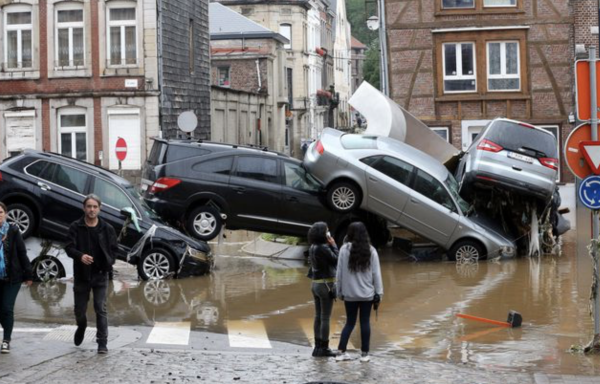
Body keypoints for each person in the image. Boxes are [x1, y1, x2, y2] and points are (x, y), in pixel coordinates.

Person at [65, 194, 118, 354]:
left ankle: (102, 343)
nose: (92, 209)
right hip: (82, 275)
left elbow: (114, 249)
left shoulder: (107, 228)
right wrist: (80, 256)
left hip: (100, 275)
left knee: (100, 308)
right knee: (79, 310)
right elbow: (68, 247)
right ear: (84, 208)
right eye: (89, 206)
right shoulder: (76, 226)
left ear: (99, 209)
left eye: (95, 207)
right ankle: (81, 326)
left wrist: (109, 261)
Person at [335, 222, 383, 363]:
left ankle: (340, 352)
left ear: (349, 234)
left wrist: (339, 292)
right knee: (365, 323)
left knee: (349, 323)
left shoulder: (344, 250)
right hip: (367, 295)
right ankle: (365, 354)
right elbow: (377, 274)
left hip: (349, 294)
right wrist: (379, 293)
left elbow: (339, 273)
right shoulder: (371, 250)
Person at [0, 202, 33, 354]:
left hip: (12, 277)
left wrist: (28, 274)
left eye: (0, 212)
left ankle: (6, 340)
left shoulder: (13, 231)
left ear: (5, 214)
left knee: (7, 308)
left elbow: (22, 252)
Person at [307, 221, 338, 357]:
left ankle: (317, 347)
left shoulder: (313, 246)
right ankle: (324, 348)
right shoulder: (324, 247)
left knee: (318, 316)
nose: (328, 233)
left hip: (315, 284)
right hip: (326, 285)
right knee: (325, 317)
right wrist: (334, 245)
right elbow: (337, 260)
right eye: (327, 231)